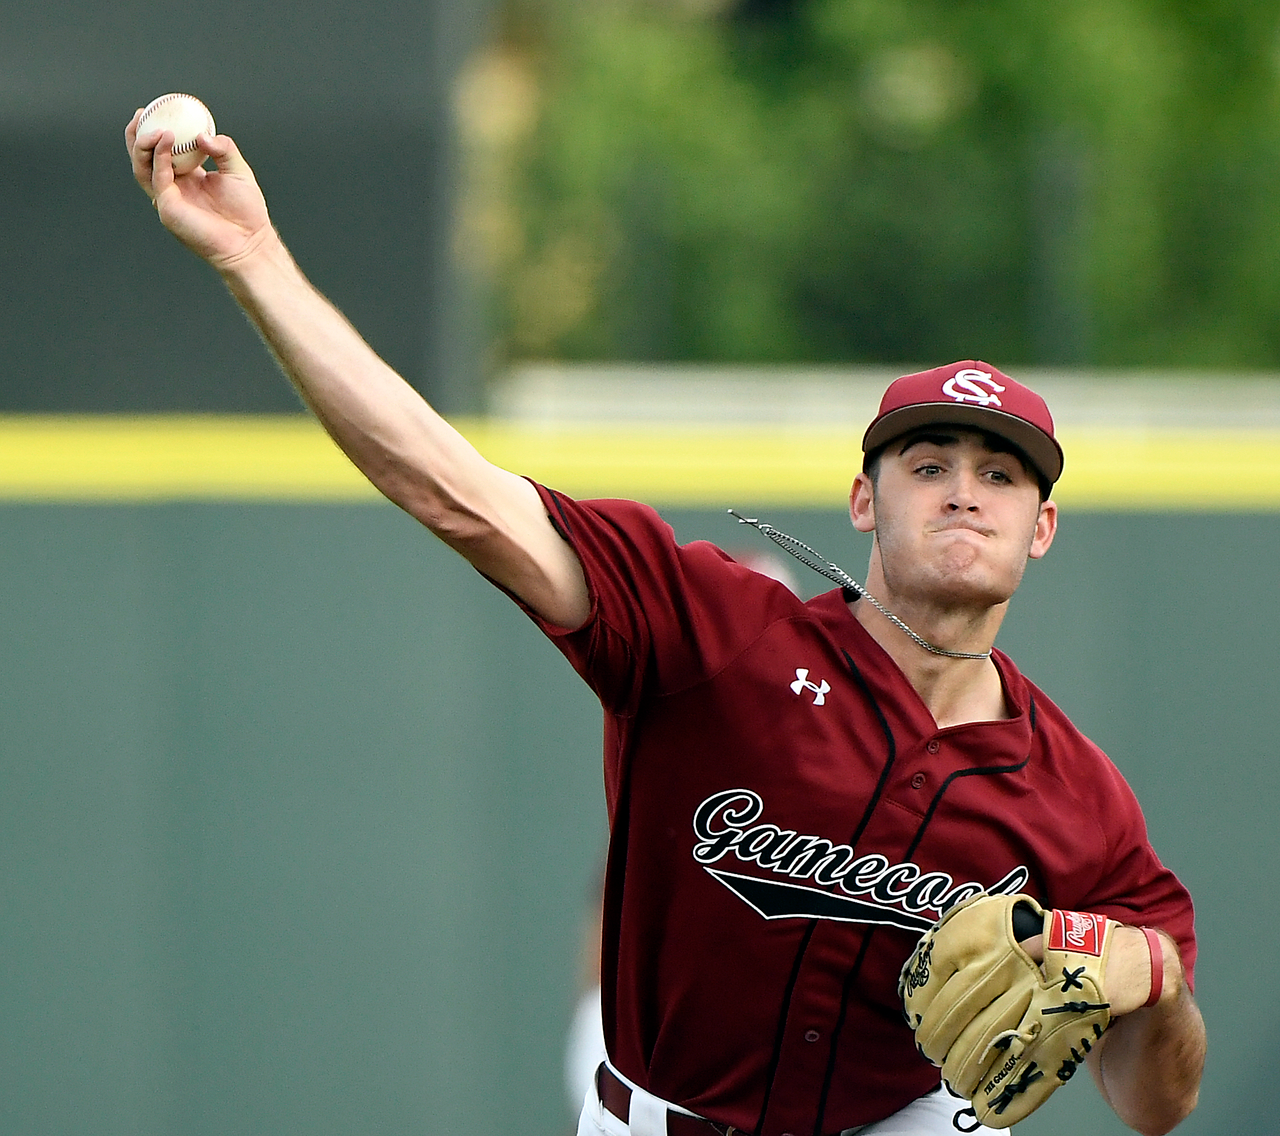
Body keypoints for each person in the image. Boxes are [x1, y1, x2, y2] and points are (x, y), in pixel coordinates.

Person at [126, 115, 1206, 1136]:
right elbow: (454, 489)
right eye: (925, 466)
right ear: (863, 500)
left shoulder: (1078, 800)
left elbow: (1153, 1102)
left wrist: (1149, 979)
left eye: (998, 474)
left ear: (1042, 525)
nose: (963, 491)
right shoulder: (714, 631)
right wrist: (254, 256)